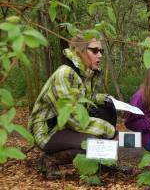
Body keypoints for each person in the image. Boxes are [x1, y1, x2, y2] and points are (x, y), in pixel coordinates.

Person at [28, 33, 117, 177]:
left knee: (106, 112)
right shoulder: (65, 73)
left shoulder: (85, 73)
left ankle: (101, 164)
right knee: (93, 143)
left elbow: (85, 98)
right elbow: (74, 119)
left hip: (64, 126)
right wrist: (110, 131)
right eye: (94, 50)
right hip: (47, 132)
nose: (99, 55)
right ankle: (49, 159)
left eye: (101, 51)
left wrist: (104, 99)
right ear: (79, 51)